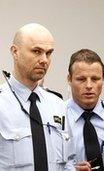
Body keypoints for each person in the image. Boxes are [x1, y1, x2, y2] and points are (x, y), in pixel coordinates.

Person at [0, 23, 79, 170]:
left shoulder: (58, 105)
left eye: (48, 53)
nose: (44, 60)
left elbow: (68, 160)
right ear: (15, 52)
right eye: (37, 51)